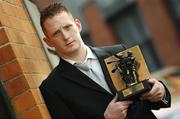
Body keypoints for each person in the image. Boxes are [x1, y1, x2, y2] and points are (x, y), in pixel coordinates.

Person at [39, 2, 171, 119]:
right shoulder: (52, 88)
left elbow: (150, 95)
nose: (66, 36)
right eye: (56, 33)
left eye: (68, 27)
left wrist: (161, 92)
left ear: (78, 25)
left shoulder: (119, 52)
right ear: (48, 41)